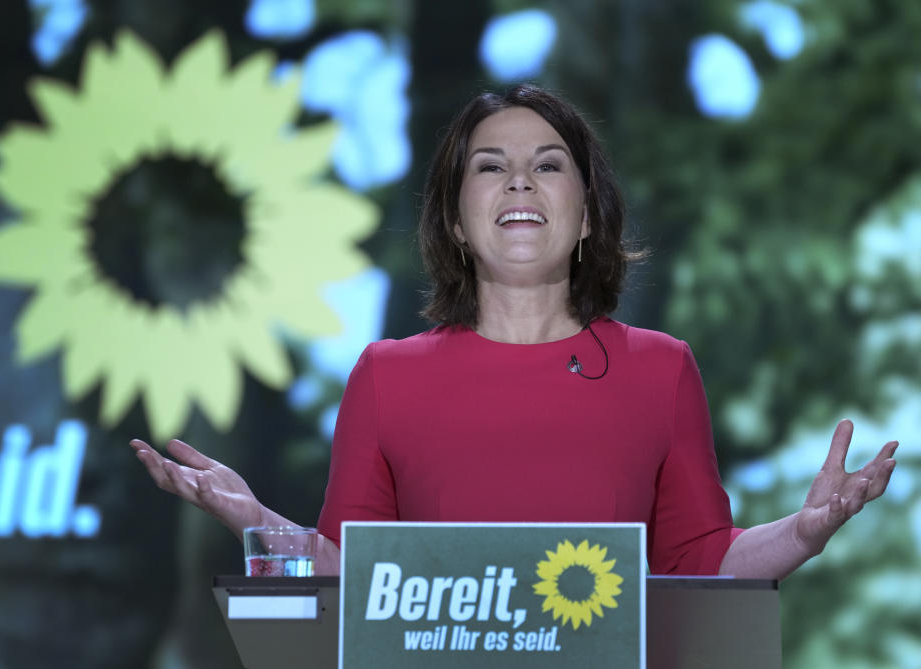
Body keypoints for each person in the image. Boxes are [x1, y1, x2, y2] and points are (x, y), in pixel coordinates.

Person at [131, 84, 897, 578]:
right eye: (490, 166)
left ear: (587, 212)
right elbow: (352, 575)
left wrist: (803, 530)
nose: (521, 180)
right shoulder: (386, 374)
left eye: (549, 165)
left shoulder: (662, 370)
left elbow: (699, 563)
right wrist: (257, 520)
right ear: (458, 222)